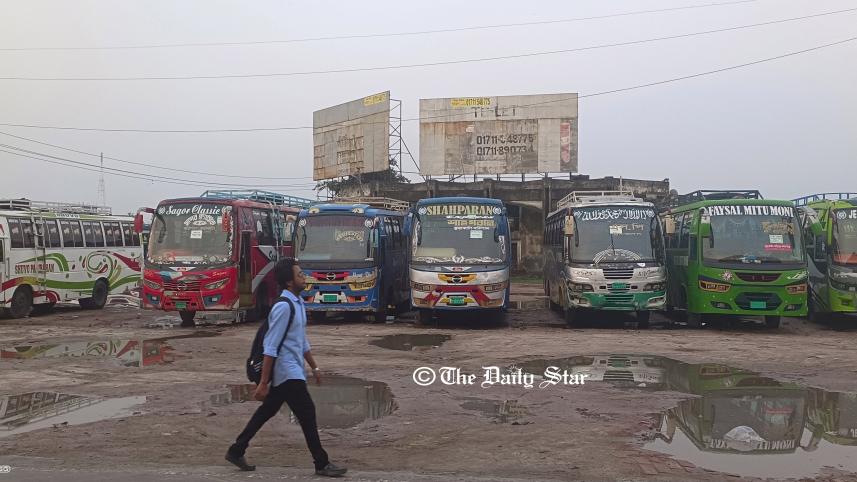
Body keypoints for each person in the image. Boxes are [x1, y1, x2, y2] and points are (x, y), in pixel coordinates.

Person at [226, 258, 347, 478]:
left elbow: (300, 341)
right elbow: (270, 347)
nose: (304, 277)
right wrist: (263, 383)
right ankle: (321, 462)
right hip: (286, 371)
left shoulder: (298, 304)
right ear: (289, 282)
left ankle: (236, 450)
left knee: (267, 411)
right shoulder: (283, 307)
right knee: (307, 413)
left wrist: (315, 367)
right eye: (300, 275)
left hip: (293, 371)